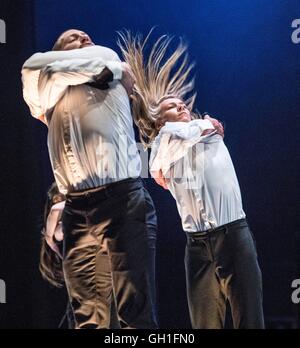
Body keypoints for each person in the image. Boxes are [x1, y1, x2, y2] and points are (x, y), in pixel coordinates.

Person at [118, 31, 265, 329]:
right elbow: (153, 165)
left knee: (250, 320)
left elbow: (177, 144)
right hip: (196, 246)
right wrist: (163, 153)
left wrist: (183, 138)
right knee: (203, 324)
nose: (183, 106)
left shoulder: (205, 130)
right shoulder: (165, 144)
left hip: (234, 236)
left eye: (183, 103)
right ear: (160, 120)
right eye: (174, 106)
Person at [22, 29, 157, 329]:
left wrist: (54, 78)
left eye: (87, 38)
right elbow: (33, 71)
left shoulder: (106, 56)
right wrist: (94, 73)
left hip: (121, 200)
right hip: (76, 210)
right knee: (87, 320)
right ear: (54, 48)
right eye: (74, 37)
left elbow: (99, 65)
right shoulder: (37, 67)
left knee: (134, 315)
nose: (85, 38)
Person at [40, 182, 120, 329]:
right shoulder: (63, 224)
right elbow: (54, 213)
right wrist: (50, 238)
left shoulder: (75, 216)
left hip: (99, 277)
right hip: (88, 281)